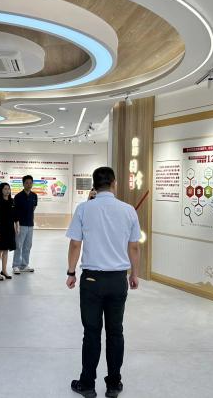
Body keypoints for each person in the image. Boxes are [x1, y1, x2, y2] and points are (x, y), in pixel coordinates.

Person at [65, 167, 141, 398]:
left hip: (92, 279)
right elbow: (134, 247)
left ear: (94, 185)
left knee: (91, 333)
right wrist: (134, 274)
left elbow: (75, 244)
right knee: (115, 332)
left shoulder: (84, 208)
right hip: (118, 279)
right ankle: (114, 384)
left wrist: (71, 272)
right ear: (114, 183)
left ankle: (87, 384)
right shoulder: (128, 210)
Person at [12, 175, 37, 274]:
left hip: (30, 224)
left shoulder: (34, 196)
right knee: (19, 245)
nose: (29, 184)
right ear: (23, 184)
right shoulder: (18, 196)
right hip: (21, 224)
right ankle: (16, 265)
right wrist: (16, 224)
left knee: (28, 245)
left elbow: (33, 208)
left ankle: (24, 265)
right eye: (27, 183)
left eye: (30, 183)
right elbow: (15, 211)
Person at [0, 182, 16, 280]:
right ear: (1, 190)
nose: (7, 191)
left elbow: (14, 216)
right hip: (1, 229)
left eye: (8, 189)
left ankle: (4, 270)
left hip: (10, 229)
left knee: (6, 250)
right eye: (5, 189)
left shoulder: (12, 201)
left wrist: (16, 226)